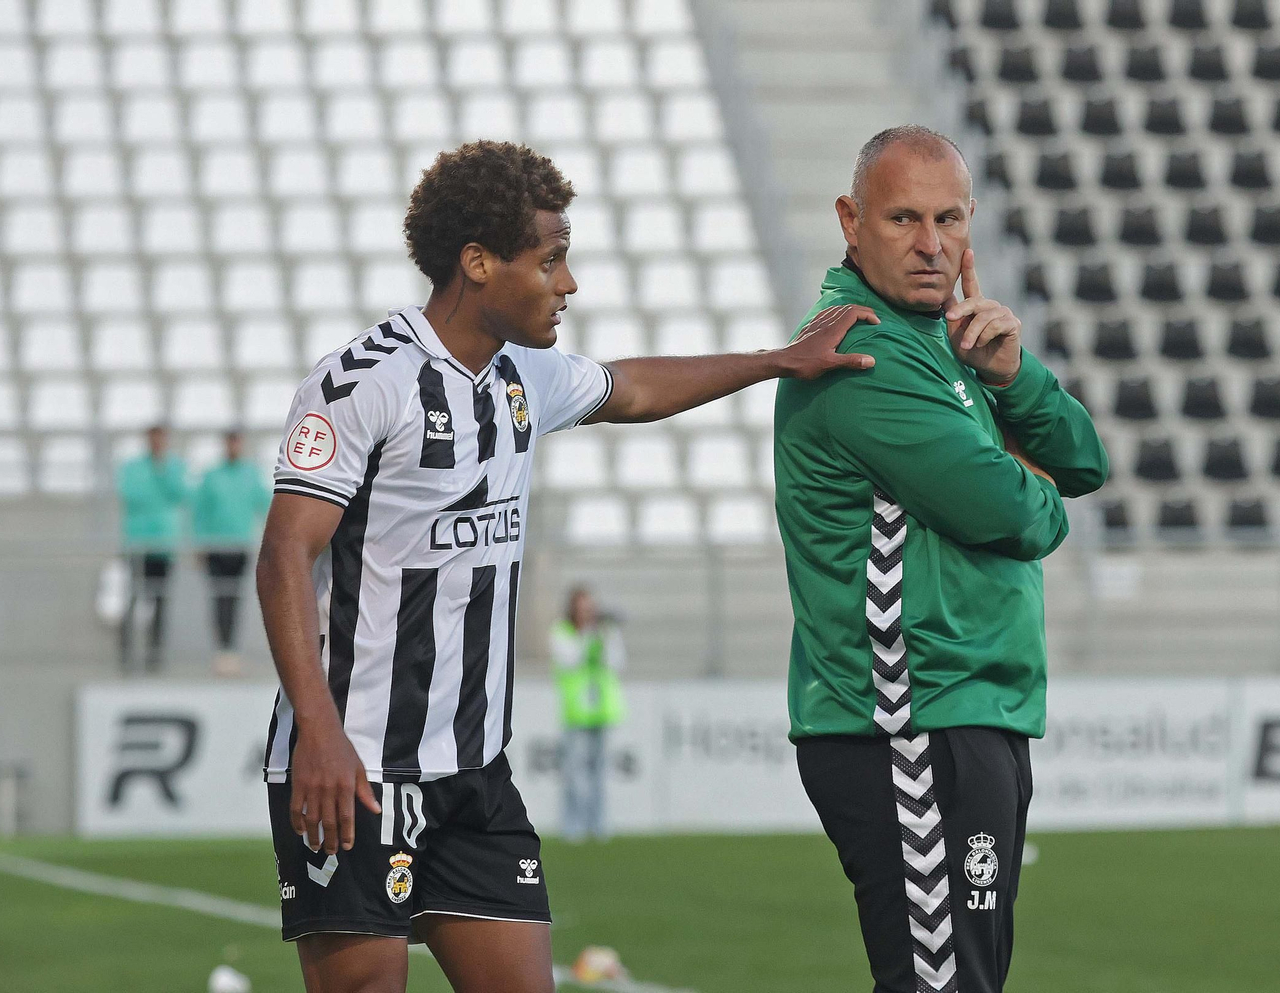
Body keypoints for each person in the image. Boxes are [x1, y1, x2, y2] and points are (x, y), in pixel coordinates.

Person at [255, 139, 874, 993]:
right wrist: (319, 733)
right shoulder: (363, 383)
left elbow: (635, 389)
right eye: (551, 260)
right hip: (356, 767)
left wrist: (777, 361)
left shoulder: (523, 379)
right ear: (478, 262)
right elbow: (285, 553)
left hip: (472, 773)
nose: (569, 284)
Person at [773, 126, 1109, 993]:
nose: (932, 245)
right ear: (851, 221)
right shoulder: (861, 352)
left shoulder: (940, 343)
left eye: (949, 219)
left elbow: (1084, 463)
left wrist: (1010, 376)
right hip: (907, 725)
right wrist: (1022, 475)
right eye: (904, 219)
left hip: (960, 711)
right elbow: (1024, 513)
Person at [191, 429, 273, 676]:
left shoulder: (250, 474)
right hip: (215, 545)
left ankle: (231, 650)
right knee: (219, 598)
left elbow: (266, 505)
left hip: (239, 545)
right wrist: (199, 544)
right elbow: (200, 512)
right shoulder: (212, 476)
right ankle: (222, 649)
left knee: (234, 599)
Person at [549, 586, 625, 842]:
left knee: (599, 773)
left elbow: (617, 662)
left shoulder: (604, 632)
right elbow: (569, 660)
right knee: (575, 774)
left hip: (601, 711)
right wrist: (587, 636)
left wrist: (605, 636)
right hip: (577, 713)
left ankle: (599, 825)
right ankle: (574, 827)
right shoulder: (563, 631)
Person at [116, 424, 187, 673]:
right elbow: (133, 496)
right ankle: (125, 653)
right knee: (132, 598)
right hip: (138, 543)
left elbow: (179, 494)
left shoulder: (174, 466)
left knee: (160, 601)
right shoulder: (133, 467)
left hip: (164, 544)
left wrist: (161, 474)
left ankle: (154, 656)